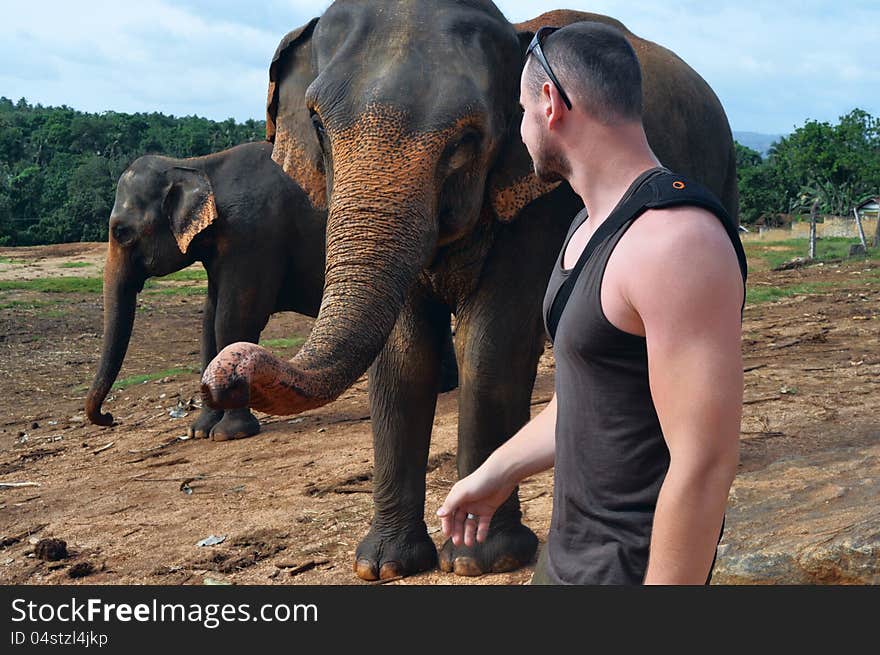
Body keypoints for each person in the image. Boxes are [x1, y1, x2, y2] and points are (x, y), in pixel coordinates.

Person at [436, 22, 747, 584]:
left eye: (522, 109)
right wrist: (495, 472)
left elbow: (704, 465)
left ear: (551, 103)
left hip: (628, 574)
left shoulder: (674, 242)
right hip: (567, 564)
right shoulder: (588, 226)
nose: (522, 130)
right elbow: (589, 394)